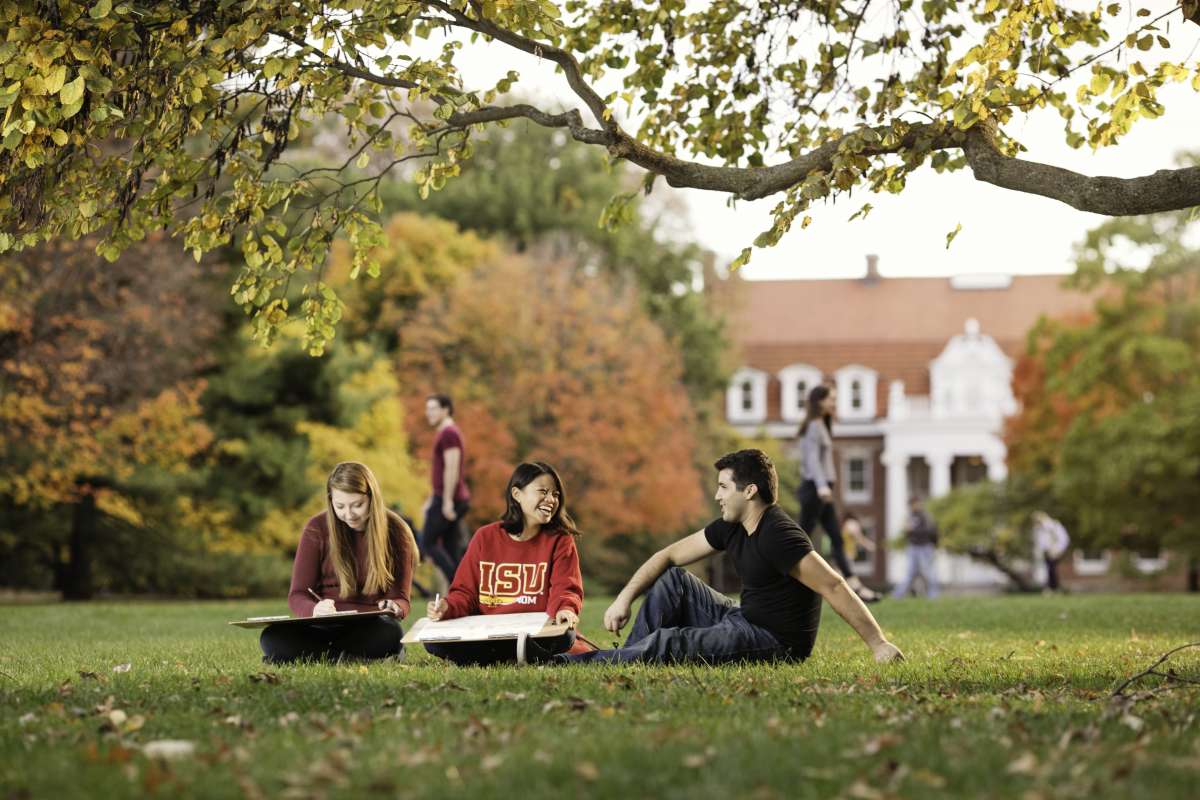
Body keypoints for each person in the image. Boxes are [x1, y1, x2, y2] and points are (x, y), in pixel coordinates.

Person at [559, 449, 904, 665]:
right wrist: (623, 599)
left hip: (774, 642)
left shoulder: (779, 534)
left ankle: (571, 662)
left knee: (670, 642)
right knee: (674, 581)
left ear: (750, 491)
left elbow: (832, 585)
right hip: (741, 617)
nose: (717, 495)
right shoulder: (733, 525)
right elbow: (668, 555)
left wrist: (879, 644)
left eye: (724, 487)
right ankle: (625, 660)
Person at [424, 462, 594, 665]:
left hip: (537, 632)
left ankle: (503, 656)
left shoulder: (560, 539)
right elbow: (465, 593)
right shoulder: (485, 537)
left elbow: (566, 588)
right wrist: (446, 606)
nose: (551, 500)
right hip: (488, 633)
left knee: (565, 636)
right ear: (517, 494)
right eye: (543, 492)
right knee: (432, 640)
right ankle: (523, 655)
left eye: (556, 495)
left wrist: (565, 609)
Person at [260, 462, 419, 664]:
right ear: (330, 501)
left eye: (357, 505)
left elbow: (402, 599)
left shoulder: (397, 531)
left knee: (390, 631)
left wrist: (394, 606)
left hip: (369, 627)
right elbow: (297, 594)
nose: (349, 514)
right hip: (320, 626)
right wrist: (314, 610)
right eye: (340, 506)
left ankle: (314, 657)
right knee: (272, 637)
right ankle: (350, 659)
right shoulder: (316, 528)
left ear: (372, 498)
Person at [796, 385, 880, 602]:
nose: (834, 402)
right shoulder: (813, 426)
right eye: (831, 399)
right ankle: (780, 581)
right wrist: (822, 486)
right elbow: (812, 460)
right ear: (819, 401)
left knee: (836, 538)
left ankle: (855, 586)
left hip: (822, 490)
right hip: (815, 489)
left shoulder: (822, 424)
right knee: (800, 539)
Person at [422, 393, 470, 590]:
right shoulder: (446, 432)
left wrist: (447, 500)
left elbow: (452, 467)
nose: (428, 413)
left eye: (433, 408)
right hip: (444, 496)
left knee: (427, 542)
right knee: (451, 549)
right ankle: (464, 593)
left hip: (449, 498)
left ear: (446, 409)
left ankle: (459, 587)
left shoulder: (449, 433)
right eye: (428, 408)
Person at [891, 496, 940, 599]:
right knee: (909, 573)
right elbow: (907, 533)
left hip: (924, 547)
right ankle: (897, 596)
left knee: (929, 572)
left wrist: (912, 530)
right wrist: (907, 531)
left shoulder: (925, 516)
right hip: (913, 547)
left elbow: (930, 532)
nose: (913, 506)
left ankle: (934, 595)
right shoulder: (910, 516)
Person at [1032, 510, 1070, 593]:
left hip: (1054, 551)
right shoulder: (1037, 529)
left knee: (1052, 569)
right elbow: (1038, 542)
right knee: (1046, 570)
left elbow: (1064, 539)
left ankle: (1053, 588)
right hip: (1044, 552)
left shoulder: (1054, 526)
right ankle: (1051, 588)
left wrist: (1057, 549)